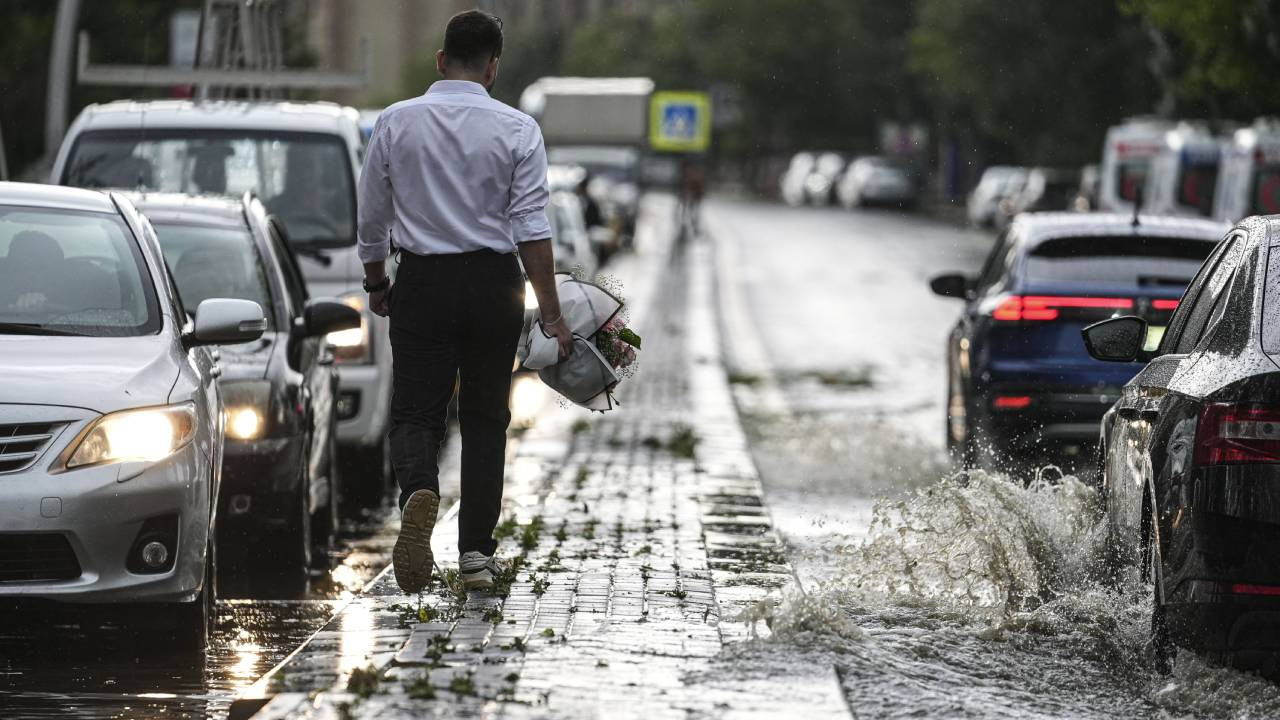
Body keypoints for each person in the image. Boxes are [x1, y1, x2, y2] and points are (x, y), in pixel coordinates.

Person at [356, 9, 573, 594]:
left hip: (422, 283)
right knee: (484, 418)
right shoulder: (519, 130)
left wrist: (379, 283)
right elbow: (531, 229)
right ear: (494, 66)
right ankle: (475, 555)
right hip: (492, 286)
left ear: (440, 59)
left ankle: (419, 491)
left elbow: (372, 219)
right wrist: (552, 313)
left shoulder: (396, 122)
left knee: (415, 412)